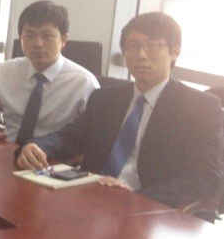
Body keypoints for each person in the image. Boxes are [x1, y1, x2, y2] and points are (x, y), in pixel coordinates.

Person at [16, 12, 224, 208]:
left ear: (175, 51)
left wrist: (135, 196)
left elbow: (207, 179)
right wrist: (37, 146)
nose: (141, 55)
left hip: (150, 211)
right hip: (92, 200)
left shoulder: (201, 108)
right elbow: (70, 138)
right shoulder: (105, 98)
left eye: (152, 45)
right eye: (133, 46)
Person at [0, 0, 99, 145]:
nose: (38, 43)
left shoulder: (84, 82)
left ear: (64, 40)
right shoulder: (5, 71)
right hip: (7, 152)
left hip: (53, 156)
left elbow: (94, 136)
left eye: (47, 36)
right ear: (21, 38)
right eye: (29, 36)